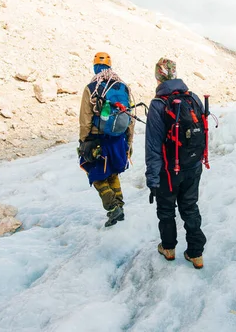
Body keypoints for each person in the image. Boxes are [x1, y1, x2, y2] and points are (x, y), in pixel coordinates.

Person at [145, 58, 207, 269]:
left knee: (166, 209)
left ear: (159, 76)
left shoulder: (158, 104)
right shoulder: (194, 98)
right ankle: (196, 254)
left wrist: (152, 178)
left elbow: (153, 146)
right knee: (190, 207)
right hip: (193, 165)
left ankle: (169, 248)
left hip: (168, 171)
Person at [78, 52, 134, 227]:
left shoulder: (91, 88)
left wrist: (83, 141)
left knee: (97, 176)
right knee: (112, 174)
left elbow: (85, 119)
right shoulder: (123, 87)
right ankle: (120, 207)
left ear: (95, 66)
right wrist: (129, 142)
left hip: (97, 140)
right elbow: (130, 118)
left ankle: (113, 208)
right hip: (118, 139)